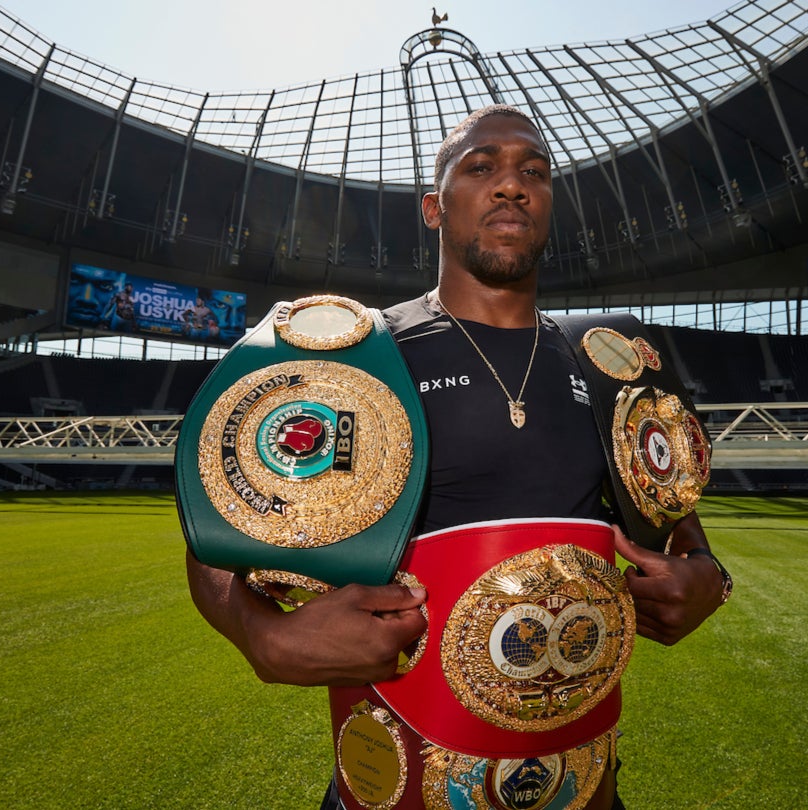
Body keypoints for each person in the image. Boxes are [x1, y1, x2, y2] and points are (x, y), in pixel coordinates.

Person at [185, 105, 728, 810]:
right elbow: (216, 539)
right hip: (394, 785)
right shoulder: (357, 358)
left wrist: (707, 577)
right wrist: (258, 633)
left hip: (585, 783)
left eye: (533, 171)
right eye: (481, 167)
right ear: (434, 207)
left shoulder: (611, 360)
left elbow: (674, 510)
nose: (511, 185)